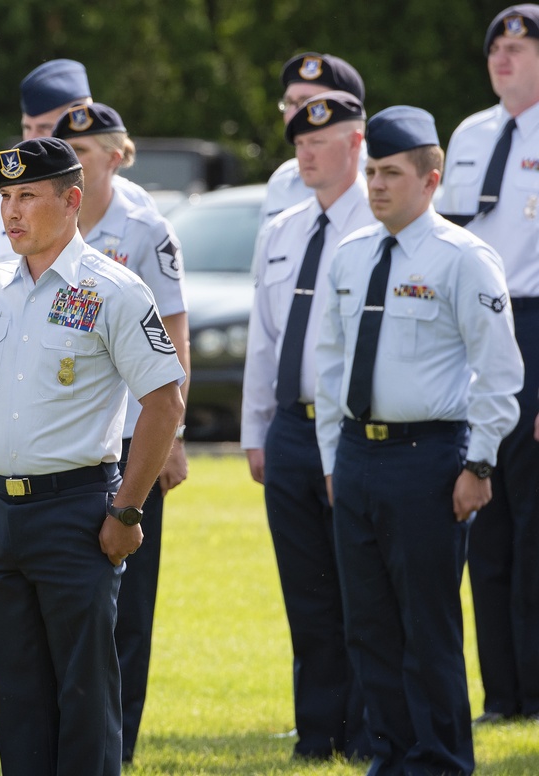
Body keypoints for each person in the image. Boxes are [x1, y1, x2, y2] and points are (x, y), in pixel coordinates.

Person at [0, 137, 186, 776]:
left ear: (71, 201)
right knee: (16, 697)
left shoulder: (112, 289)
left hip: (79, 511)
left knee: (84, 696)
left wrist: (127, 514)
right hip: (1, 514)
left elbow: (165, 403)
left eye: (28, 196)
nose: (13, 212)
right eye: (6, 197)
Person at [314, 105, 524, 775]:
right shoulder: (349, 256)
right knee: (368, 626)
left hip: (428, 459)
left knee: (427, 627)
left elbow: (499, 372)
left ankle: (439, 761)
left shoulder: (464, 258)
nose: (375, 185)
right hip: (358, 456)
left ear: (431, 181)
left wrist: (480, 462)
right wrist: (331, 461)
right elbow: (329, 363)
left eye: (392, 173)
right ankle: (393, 755)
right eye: (371, 171)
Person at [52, 102, 189, 763]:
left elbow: (175, 326)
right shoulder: (45, 219)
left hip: (135, 433)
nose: (74, 156)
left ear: (116, 154)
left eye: (87, 148)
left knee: (127, 599)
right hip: (66, 432)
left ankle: (120, 740)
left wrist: (175, 436)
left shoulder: (145, 228)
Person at [241, 91, 374, 760]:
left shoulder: (377, 228)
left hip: (349, 432)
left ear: (357, 144)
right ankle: (317, 732)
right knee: (306, 592)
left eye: (320, 140)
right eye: (298, 140)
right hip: (291, 430)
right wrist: (256, 429)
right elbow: (265, 342)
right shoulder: (282, 229)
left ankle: (365, 729)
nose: (305, 150)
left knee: (361, 591)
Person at [435, 4, 539, 724]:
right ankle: (501, 696)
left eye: (519, 46)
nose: (503, 57)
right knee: (486, 517)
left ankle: (535, 691)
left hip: (534, 324)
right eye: (496, 47)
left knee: (534, 527)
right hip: (475, 329)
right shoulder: (470, 132)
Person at [0, 59, 157, 263]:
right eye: (27, 127)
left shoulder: (134, 203)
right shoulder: (6, 201)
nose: (31, 140)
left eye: (44, 128)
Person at [261, 52, 366, 230]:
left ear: (345, 106)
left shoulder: (381, 177)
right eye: (288, 103)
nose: (294, 114)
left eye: (306, 103)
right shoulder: (282, 182)